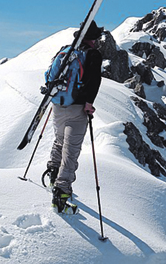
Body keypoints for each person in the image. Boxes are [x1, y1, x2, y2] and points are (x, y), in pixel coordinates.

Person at [46, 21, 103, 212]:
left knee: (59, 140)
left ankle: (53, 174)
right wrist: (88, 103)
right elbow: (93, 81)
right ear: (93, 38)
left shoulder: (66, 51)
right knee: (71, 151)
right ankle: (61, 194)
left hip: (58, 104)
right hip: (77, 108)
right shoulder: (92, 54)